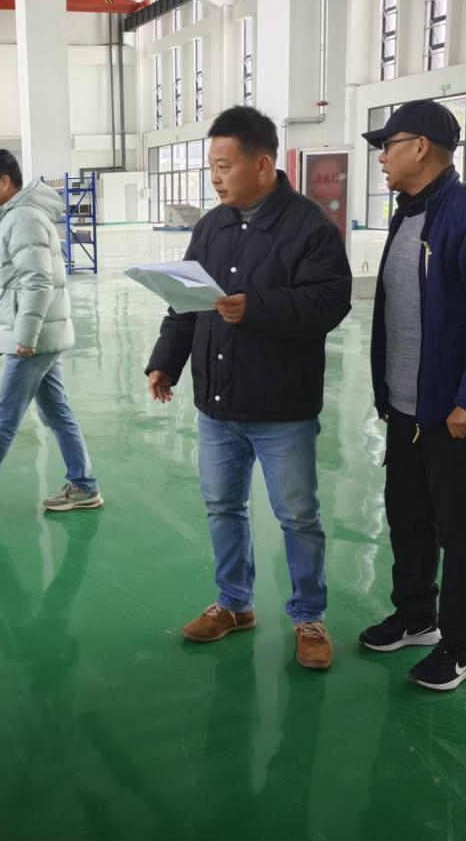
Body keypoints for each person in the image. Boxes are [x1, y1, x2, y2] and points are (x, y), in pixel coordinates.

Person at [145, 106, 351, 669]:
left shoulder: (309, 227)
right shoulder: (211, 226)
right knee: (222, 506)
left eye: (224, 166)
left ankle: (309, 616)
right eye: (211, 166)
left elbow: (330, 302)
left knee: (297, 516)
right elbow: (185, 301)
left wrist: (256, 309)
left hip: (281, 406)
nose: (215, 177)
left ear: (262, 165)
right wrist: (166, 362)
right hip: (218, 404)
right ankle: (234, 604)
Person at [358, 99, 466, 691]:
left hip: (462, 415)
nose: (382, 157)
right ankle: (416, 618)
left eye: (388, 145)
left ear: (421, 147)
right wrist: (390, 395)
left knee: (464, 534)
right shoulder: (407, 215)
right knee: (408, 519)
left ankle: (462, 646)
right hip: (409, 409)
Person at [0, 149, 102, 512]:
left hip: (35, 341)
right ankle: (84, 485)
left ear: (5, 181)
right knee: (57, 413)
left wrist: (24, 336)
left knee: (4, 412)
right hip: (42, 334)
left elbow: (37, 281)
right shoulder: (18, 215)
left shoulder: (23, 217)